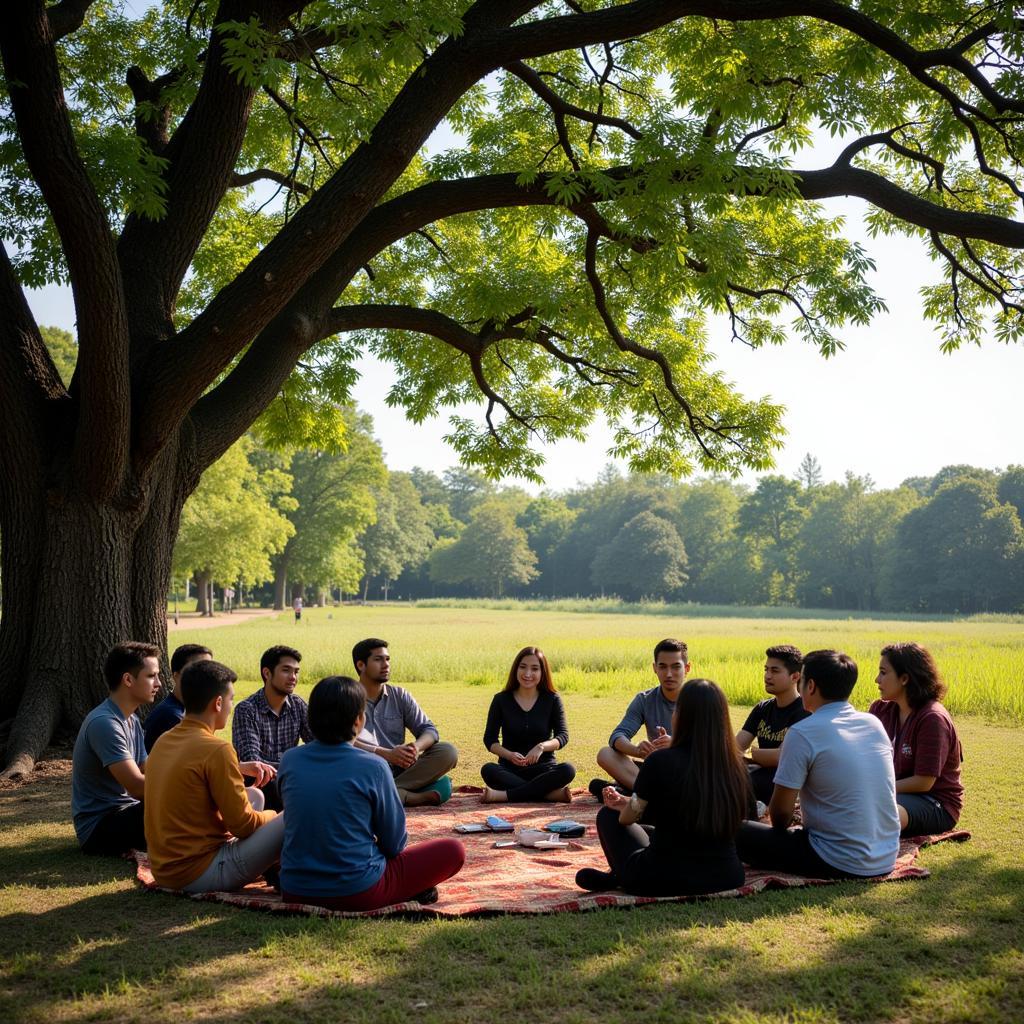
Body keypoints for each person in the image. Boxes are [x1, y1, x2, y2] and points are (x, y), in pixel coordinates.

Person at [279, 676, 465, 910]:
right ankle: (408, 889)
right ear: (358, 721)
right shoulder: (373, 766)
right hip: (357, 890)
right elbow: (394, 844)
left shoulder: (290, 760)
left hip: (294, 888)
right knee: (453, 850)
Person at [576, 678, 750, 895]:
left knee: (609, 816)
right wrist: (627, 802)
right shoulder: (736, 766)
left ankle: (618, 876)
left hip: (663, 878)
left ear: (682, 717)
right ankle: (616, 876)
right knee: (649, 831)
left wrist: (626, 807)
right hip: (727, 875)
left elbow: (628, 818)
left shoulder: (660, 761)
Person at [736, 649, 901, 879]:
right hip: (886, 856)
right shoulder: (873, 723)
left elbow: (780, 815)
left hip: (836, 859)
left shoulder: (803, 732)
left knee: (735, 831)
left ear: (810, 686)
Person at [144, 659, 284, 892]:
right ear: (218, 703)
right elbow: (243, 826)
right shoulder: (217, 749)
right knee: (294, 815)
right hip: (198, 873)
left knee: (254, 795)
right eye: (231, 699)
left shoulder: (165, 740)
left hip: (165, 870)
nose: (231, 706)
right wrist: (274, 816)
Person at [71, 642, 161, 855]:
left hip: (127, 812)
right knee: (181, 808)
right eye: (151, 676)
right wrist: (187, 790)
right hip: (99, 828)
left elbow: (149, 769)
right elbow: (137, 786)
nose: (158, 683)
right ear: (128, 679)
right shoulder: (105, 723)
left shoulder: (132, 720)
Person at [350, 638, 458, 806]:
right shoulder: (347, 698)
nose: (385, 665)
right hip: (364, 770)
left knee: (447, 751)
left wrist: (415, 748)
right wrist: (385, 753)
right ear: (361, 665)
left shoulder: (400, 695)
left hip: (400, 772)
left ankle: (385, 794)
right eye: (378, 659)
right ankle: (405, 796)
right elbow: (341, 741)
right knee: (443, 787)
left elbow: (429, 730)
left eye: (387, 659)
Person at [870, 642, 964, 836]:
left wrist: (875, 788)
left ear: (904, 678)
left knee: (873, 811)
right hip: (891, 792)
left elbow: (924, 782)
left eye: (883, 672)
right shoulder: (880, 709)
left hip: (934, 802)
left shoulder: (932, 718)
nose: (876, 679)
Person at [589, 638, 689, 798]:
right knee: (606, 754)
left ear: (687, 668)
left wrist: (676, 745)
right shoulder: (645, 699)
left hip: (690, 773)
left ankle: (636, 794)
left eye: (676, 667)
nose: (669, 674)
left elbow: (716, 748)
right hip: (657, 770)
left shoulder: (700, 698)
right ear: (654, 668)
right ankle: (652, 795)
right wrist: (639, 751)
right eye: (663, 667)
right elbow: (617, 737)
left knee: (598, 787)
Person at [480, 646, 576, 804]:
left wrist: (541, 747)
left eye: (535, 669)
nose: (527, 674)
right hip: (509, 770)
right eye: (523, 667)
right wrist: (509, 755)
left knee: (568, 769)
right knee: (488, 769)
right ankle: (548, 795)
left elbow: (563, 736)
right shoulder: (501, 700)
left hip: (544, 770)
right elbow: (489, 739)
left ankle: (504, 796)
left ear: (542, 672)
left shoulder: (552, 699)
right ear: (515, 669)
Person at [231, 645, 311, 810]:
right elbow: (252, 761)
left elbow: (318, 743)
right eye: (286, 670)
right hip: (260, 785)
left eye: (296, 672)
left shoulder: (298, 705)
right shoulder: (247, 709)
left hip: (290, 779)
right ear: (267, 673)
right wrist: (297, 766)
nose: (293, 677)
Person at [735, 644, 810, 805]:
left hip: (784, 785)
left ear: (795, 677)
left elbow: (781, 756)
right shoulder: (762, 708)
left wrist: (747, 754)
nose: (767, 676)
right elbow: (736, 746)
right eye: (766, 669)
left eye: (775, 671)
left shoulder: (803, 712)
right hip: (759, 776)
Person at [143, 643, 213, 752]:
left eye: (209, 670)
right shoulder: (173, 717)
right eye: (196, 671)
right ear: (176, 676)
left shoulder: (181, 710)